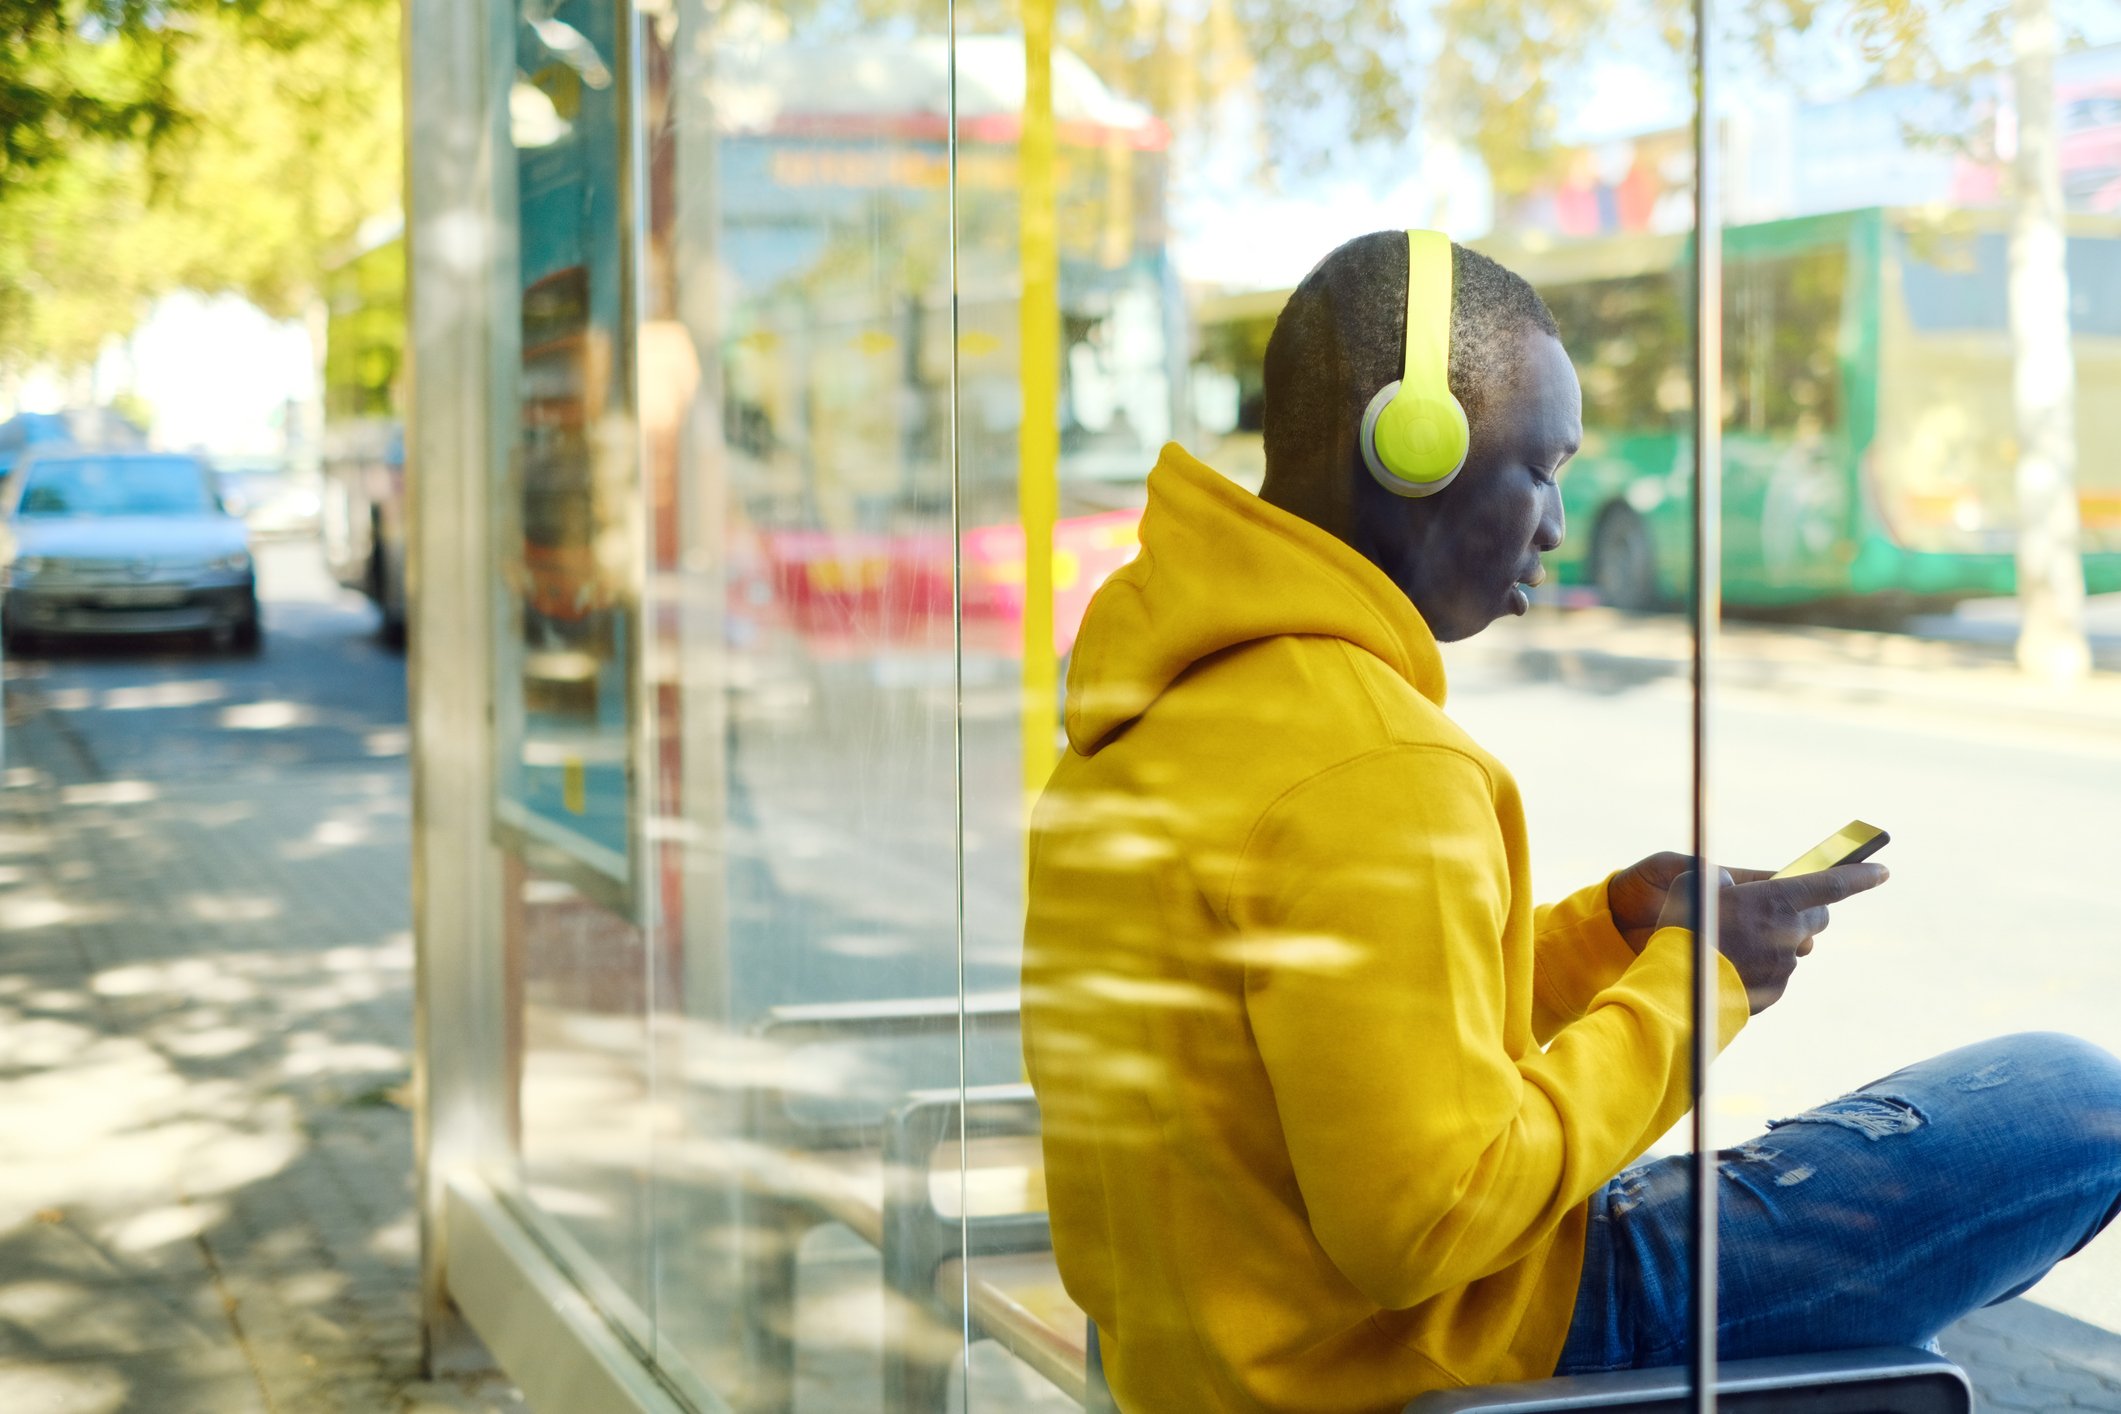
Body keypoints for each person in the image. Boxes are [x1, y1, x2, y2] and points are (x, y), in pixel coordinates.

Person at [1019, 229, 2121, 1414]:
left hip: (1211, 1351)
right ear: (1414, 448)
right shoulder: (1371, 761)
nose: (1555, 524)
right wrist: (1700, 985)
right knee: (2069, 1106)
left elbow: (1332, 1023)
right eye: (1543, 468)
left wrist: (1608, 933)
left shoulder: (1158, 709)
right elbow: (1431, 1217)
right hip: (1450, 1352)